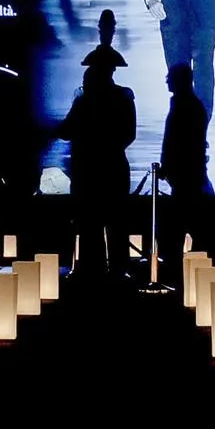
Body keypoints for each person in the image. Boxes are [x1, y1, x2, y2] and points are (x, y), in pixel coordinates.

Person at [55, 45, 136, 286]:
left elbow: (66, 130)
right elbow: (129, 134)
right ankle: (118, 271)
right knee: (115, 223)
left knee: (90, 224)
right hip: (113, 169)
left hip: (88, 172)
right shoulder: (123, 97)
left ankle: (92, 270)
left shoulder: (85, 101)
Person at [158, 63, 210, 290]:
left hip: (186, 177)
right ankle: (188, 275)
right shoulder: (191, 106)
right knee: (183, 227)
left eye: (170, 77)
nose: (167, 81)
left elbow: (179, 143)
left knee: (177, 228)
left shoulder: (186, 107)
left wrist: (169, 165)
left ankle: (180, 275)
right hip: (186, 176)